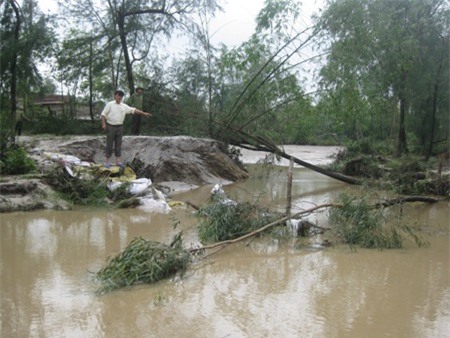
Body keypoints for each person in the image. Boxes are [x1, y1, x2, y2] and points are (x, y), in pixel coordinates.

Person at [100, 90, 151, 169]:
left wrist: (143, 113)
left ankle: (118, 161)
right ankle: (107, 161)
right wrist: (103, 124)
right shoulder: (110, 104)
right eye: (118, 95)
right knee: (109, 144)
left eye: (121, 96)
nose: (119, 97)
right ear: (115, 96)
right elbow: (103, 115)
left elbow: (133, 110)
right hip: (111, 126)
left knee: (118, 144)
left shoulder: (124, 106)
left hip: (120, 127)